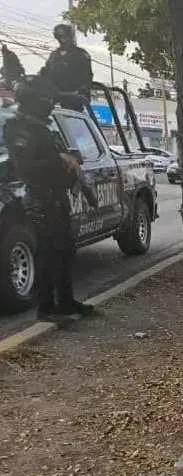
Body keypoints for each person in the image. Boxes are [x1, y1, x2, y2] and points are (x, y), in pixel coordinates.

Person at [3, 78, 96, 321]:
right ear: (33, 100)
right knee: (46, 253)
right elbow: (27, 168)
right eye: (44, 99)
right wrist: (61, 160)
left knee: (66, 250)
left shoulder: (43, 127)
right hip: (39, 198)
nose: (48, 103)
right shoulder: (18, 127)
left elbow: (59, 157)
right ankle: (46, 309)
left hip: (57, 197)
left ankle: (66, 302)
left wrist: (72, 160)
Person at [38, 24, 92, 112]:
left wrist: (81, 91)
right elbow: (47, 73)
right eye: (60, 37)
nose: (63, 39)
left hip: (74, 97)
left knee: (71, 112)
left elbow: (87, 77)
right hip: (54, 95)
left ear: (71, 37)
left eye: (65, 36)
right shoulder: (54, 55)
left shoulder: (81, 54)